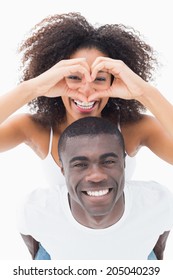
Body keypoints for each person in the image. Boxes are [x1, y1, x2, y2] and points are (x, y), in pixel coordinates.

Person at [0, 12, 172, 258]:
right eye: (74, 77)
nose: (86, 90)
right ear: (55, 77)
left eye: (100, 79)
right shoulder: (37, 129)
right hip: (62, 248)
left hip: (125, 245)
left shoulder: (134, 128)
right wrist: (33, 87)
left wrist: (144, 92)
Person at [18, 117, 173, 260]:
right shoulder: (36, 209)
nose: (96, 176)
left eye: (109, 161)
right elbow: (34, 248)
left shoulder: (158, 202)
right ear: (63, 170)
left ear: (124, 164)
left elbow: (159, 247)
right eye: (80, 164)